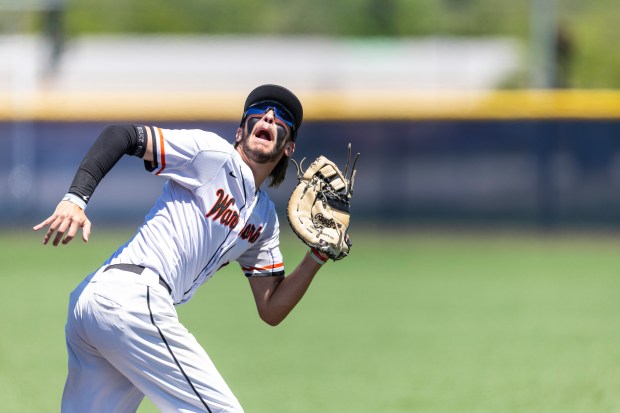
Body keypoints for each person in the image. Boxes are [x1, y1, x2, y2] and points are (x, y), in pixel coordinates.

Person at [34, 84, 332, 413]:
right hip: (130, 298)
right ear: (240, 131)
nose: (270, 115)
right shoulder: (212, 155)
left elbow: (271, 309)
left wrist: (316, 256)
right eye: (258, 110)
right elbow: (122, 135)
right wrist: (76, 198)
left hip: (104, 308)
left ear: (289, 146)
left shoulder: (263, 221)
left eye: (282, 116)